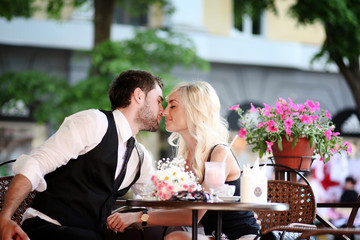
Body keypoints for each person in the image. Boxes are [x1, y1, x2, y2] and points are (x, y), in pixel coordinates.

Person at [0, 70, 164, 240]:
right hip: (49, 227)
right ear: (138, 96)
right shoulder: (94, 122)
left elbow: (154, 202)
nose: (162, 110)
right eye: (159, 101)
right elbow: (36, 164)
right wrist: (5, 218)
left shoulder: (141, 157)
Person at [107, 81, 260, 240]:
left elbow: (191, 216)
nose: (165, 112)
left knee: (176, 237)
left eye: (172, 106)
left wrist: (141, 217)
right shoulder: (185, 158)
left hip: (241, 236)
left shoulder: (220, 153)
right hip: (214, 236)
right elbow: (181, 210)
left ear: (194, 110)